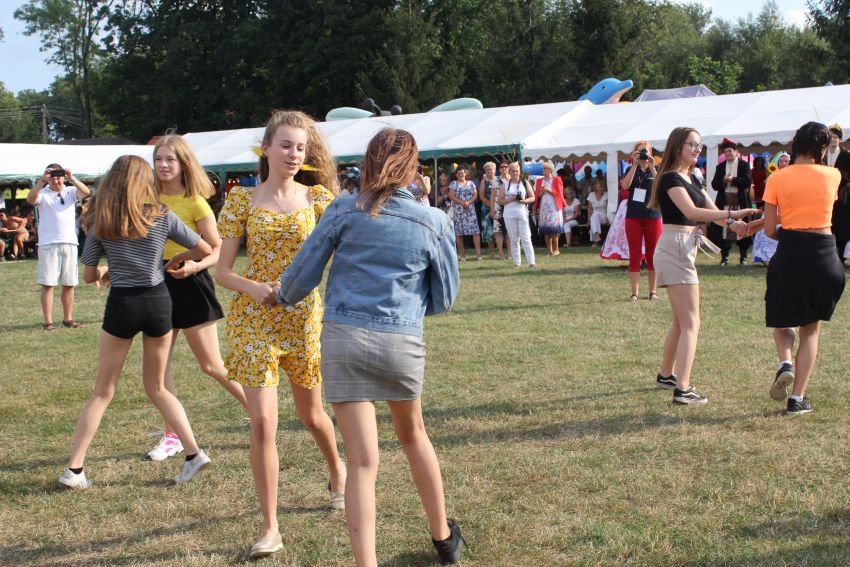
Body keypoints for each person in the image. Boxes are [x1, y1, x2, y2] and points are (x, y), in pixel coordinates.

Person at [278, 127, 464, 567]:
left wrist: (280, 294)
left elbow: (300, 278)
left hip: (344, 336)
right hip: (400, 339)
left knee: (362, 462)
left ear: (368, 161)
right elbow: (445, 297)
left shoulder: (344, 209)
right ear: (413, 167)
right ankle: (443, 538)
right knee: (414, 436)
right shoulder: (434, 221)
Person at [215, 110, 346, 559]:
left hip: (303, 318)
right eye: (286, 145)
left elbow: (345, 254)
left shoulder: (320, 199)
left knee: (313, 414)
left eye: (301, 148)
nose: (294, 154)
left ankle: (337, 469)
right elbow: (222, 271)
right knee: (263, 422)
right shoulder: (241, 200)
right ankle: (270, 527)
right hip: (253, 320)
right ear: (266, 148)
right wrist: (254, 288)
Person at [59, 155, 213, 490]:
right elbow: (205, 248)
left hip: (123, 304)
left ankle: (75, 469)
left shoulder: (101, 220)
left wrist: (107, 269)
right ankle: (193, 453)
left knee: (102, 391)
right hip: (158, 302)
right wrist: (176, 258)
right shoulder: (163, 215)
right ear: (146, 181)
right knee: (158, 387)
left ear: (112, 180)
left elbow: (88, 276)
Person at [143, 134, 249, 461]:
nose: (163, 165)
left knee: (211, 365)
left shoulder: (196, 202)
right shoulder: (146, 198)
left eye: (170, 159)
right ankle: (172, 436)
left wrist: (194, 267)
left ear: (183, 163)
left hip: (190, 282)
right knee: (159, 370)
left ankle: (261, 414)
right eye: (158, 158)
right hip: (156, 282)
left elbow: (218, 249)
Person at [649, 127, 757, 405]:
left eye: (699, 145)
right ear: (677, 147)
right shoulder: (670, 178)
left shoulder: (692, 177)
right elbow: (693, 212)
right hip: (676, 246)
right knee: (691, 323)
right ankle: (683, 389)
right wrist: (733, 214)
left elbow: (713, 213)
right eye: (692, 144)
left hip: (682, 246)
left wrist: (735, 224)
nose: (697, 149)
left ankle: (666, 375)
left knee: (681, 321)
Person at [760, 122, 844, 414]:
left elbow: (770, 229)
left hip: (790, 253)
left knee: (782, 320)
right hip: (824, 254)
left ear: (795, 144)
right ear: (823, 147)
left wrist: (789, 233)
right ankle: (797, 399)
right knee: (810, 330)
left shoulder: (777, 178)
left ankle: (785, 362)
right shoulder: (833, 175)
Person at [26, 163, 91, 330]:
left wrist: (72, 178)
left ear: (63, 177)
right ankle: (48, 322)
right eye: (52, 177)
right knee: (48, 284)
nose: (56, 180)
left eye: (59, 176)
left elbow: (86, 192)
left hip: (69, 242)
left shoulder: (70, 191)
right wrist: (42, 181)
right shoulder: (43, 192)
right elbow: (30, 199)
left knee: (69, 283)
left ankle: (68, 319)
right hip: (48, 244)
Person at [621, 141, 661, 301]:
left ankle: (653, 291)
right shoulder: (630, 169)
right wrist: (634, 165)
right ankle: (634, 293)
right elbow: (625, 186)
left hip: (653, 215)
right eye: (639, 152)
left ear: (650, 152)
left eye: (645, 151)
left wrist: (652, 166)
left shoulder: (656, 168)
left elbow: (661, 187)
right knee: (635, 254)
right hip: (633, 216)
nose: (642, 154)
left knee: (653, 254)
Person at [709, 138, 753, 265]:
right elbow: (714, 185)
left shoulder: (744, 165)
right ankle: (725, 257)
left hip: (740, 202)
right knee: (724, 229)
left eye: (730, 151)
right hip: (724, 202)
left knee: (743, 228)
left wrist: (732, 180)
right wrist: (723, 181)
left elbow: (747, 182)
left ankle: (743, 257)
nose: (727, 153)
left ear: (736, 152)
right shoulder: (720, 167)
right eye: (725, 152)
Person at [497, 162, 536, 268]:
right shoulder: (505, 185)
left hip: (522, 214)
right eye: (513, 171)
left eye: (516, 171)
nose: (515, 173)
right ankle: (517, 263)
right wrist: (510, 199)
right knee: (514, 239)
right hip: (509, 215)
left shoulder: (525, 183)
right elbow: (499, 201)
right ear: (509, 172)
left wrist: (523, 201)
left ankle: (531, 262)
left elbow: (532, 197)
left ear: (519, 172)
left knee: (526, 238)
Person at [825, 124, 850, 260]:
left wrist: (837, 172)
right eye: (831, 137)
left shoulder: (846, 155)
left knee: (841, 225)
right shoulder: (822, 154)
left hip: (841, 196)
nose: (833, 139)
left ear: (840, 139)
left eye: (836, 137)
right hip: (824, 196)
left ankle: (840, 256)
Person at [448, 166, 482, 261]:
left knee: (475, 232)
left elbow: (475, 195)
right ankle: (463, 256)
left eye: (462, 173)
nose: (461, 175)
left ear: (465, 174)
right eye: (459, 173)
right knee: (459, 234)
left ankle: (478, 255)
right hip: (459, 211)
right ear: (456, 175)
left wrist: (469, 202)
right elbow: (451, 196)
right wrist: (462, 202)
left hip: (470, 211)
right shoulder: (453, 184)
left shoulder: (471, 183)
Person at [535, 161, 565, 256]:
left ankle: (556, 249)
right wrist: (541, 193)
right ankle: (550, 251)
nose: (543, 170)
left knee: (553, 230)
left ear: (550, 170)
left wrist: (547, 190)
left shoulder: (557, 179)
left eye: (545, 168)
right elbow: (538, 196)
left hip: (554, 207)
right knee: (546, 231)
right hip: (544, 207)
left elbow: (559, 194)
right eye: (542, 168)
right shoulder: (539, 181)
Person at [478, 161, 499, 258]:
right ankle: (491, 252)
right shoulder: (484, 181)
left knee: (499, 230)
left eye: (491, 169)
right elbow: (481, 196)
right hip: (486, 208)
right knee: (488, 230)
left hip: (499, 207)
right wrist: (491, 206)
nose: (489, 171)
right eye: (487, 170)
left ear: (495, 170)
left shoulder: (499, 180)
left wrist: (496, 207)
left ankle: (500, 251)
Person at [587, 179, 609, 246]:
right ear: (595, 187)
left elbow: (608, 208)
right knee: (594, 216)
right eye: (600, 187)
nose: (602, 188)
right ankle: (597, 237)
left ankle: (595, 241)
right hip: (595, 215)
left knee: (594, 217)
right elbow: (590, 209)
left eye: (603, 187)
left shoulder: (606, 194)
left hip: (604, 215)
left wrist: (608, 219)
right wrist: (588, 220)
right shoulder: (591, 195)